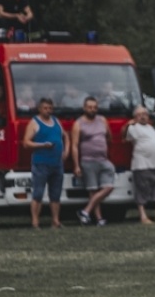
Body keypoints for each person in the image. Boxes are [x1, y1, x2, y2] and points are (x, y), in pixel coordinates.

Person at [23, 98, 69, 228]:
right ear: (39, 108)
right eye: (45, 108)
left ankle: (55, 221)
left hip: (57, 163)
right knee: (38, 193)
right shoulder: (34, 123)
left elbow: (65, 135)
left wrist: (66, 150)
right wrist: (42, 145)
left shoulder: (56, 121)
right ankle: (35, 222)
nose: (48, 111)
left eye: (50, 108)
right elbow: (26, 142)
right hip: (41, 163)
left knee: (55, 194)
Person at [70, 96, 115, 226]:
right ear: (84, 108)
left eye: (95, 107)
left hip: (103, 160)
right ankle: (99, 219)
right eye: (89, 107)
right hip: (88, 161)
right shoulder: (78, 124)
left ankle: (85, 211)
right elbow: (74, 145)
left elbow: (109, 137)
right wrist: (76, 165)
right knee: (93, 190)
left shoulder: (102, 120)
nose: (92, 109)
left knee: (109, 187)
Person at [124, 105, 155, 224]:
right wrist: (129, 124)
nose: (143, 116)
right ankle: (143, 216)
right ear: (135, 117)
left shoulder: (151, 128)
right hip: (142, 164)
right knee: (142, 190)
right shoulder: (133, 128)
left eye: (145, 114)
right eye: (140, 114)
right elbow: (125, 136)